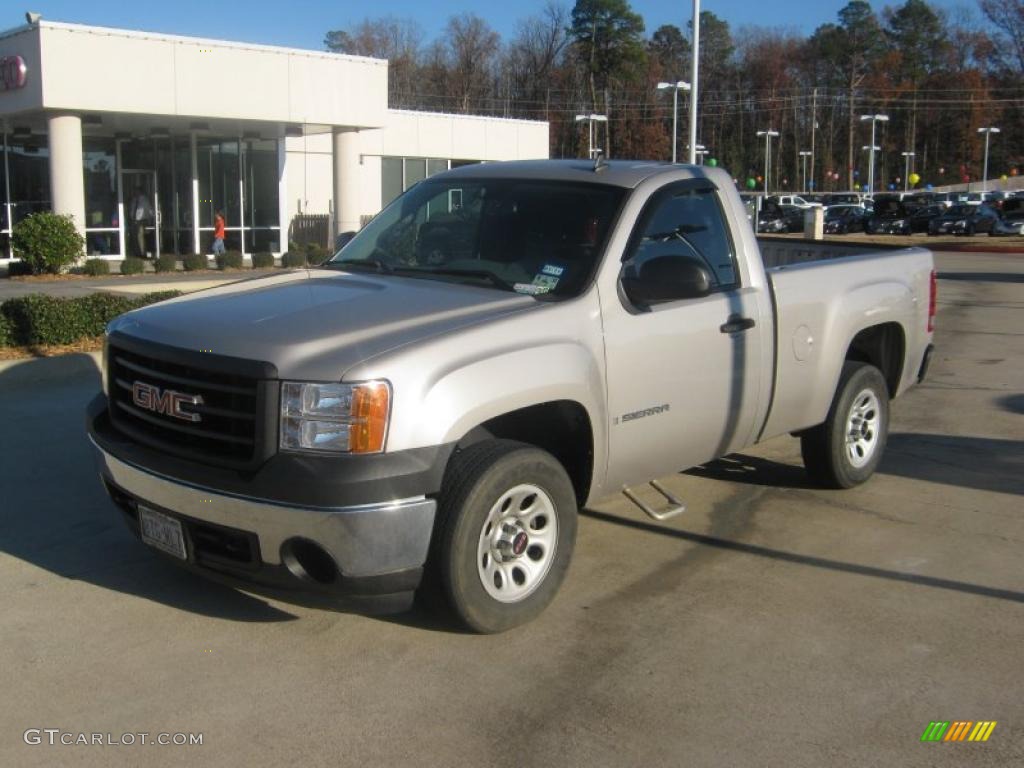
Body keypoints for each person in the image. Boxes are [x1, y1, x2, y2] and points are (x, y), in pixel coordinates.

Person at [128, 186, 153, 258]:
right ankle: (137, 251)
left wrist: (148, 220)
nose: (134, 193)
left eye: (136, 191)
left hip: (142, 221)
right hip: (134, 221)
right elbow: (132, 210)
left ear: (139, 192)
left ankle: (143, 253)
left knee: (140, 236)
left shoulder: (144, 200)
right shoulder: (135, 200)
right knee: (135, 237)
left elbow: (144, 211)